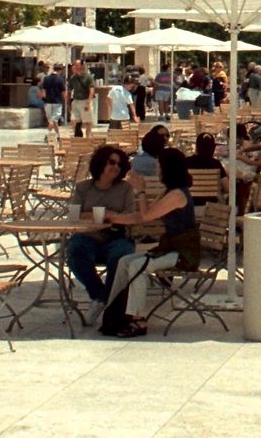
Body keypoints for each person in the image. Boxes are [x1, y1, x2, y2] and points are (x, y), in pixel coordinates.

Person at [100, 155, 201, 337]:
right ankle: (115, 313)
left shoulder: (178, 195)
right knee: (124, 261)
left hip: (183, 253)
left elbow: (146, 217)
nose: (157, 171)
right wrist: (113, 218)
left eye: (159, 168)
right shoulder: (169, 192)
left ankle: (138, 319)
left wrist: (141, 191)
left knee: (138, 266)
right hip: (169, 248)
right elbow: (142, 217)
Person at [64, 146, 136, 314]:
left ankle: (102, 301)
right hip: (88, 236)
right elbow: (75, 214)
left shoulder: (125, 189)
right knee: (74, 250)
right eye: (111, 162)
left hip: (116, 237)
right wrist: (106, 215)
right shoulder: (83, 188)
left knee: (121, 256)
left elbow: (130, 216)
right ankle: (100, 296)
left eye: (119, 164)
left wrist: (106, 216)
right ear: (100, 163)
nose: (115, 167)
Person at [67, 59, 92, 135]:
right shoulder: (73, 78)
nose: (75, 67)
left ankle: (88, 138)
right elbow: (69, 91)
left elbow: (92, 90)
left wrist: (88, 102)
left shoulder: (88, 77)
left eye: (77, 65)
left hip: (85, 101)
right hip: (76, 101)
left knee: (87, 122)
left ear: (82, 66)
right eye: (74, 65)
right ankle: (76, 136)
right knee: (74, 120)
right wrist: (68, 103)